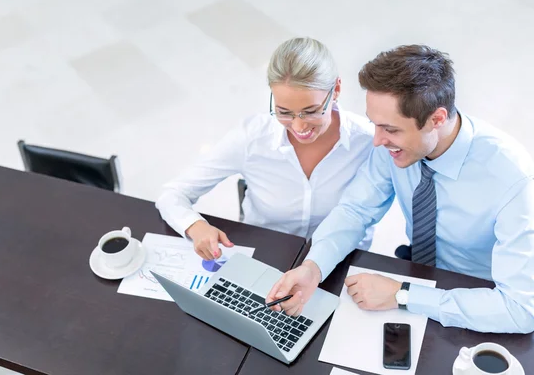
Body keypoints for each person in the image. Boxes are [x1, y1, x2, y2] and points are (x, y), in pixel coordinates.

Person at [267, 44, 534, 334]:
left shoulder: (514, 180)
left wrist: (403, 295)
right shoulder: (393, 145)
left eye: (391, 129)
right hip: (419, 274)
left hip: (479, 298)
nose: (377, 141)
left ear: (437, 119)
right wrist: (313, 267)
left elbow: (520, 310)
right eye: (375, 125)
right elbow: (356, 210)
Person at [155, 37, 374, 261]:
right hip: (266, 256)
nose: (298, 127)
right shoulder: (252, 139)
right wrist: (196, 226)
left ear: (336, 89)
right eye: (284, 112)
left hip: (343, 260)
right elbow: (172, 194)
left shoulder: (369, 142)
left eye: (311, 111)